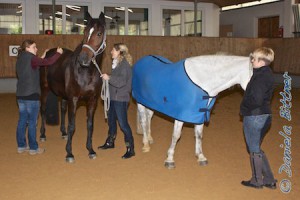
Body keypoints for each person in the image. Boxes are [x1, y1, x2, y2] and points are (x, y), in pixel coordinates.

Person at [16, 39, 63, 155]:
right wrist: (58, 53)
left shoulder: (20, 59)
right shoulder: (31, 59)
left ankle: (21, 146)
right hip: (31, 95)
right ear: (27, 48)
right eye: (34, 47)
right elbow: (48, 62)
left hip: (20, 95)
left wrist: (42, 55)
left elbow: (36, 65)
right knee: (32, 122)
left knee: (22, 121)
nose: (36, 49)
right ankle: (33, 148)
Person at [240, 47, 277, 189]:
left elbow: (256, 99)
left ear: (261, 62)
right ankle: (269, 179)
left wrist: (245, 107)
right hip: (263, 115)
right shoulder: (265, 74)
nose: (252, 61)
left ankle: (257, 180)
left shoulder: (260, 77)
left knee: (254, 149)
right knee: (256, 148)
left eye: (254, 59)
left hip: (255, 116)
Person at [98, 43, 135, 159]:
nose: (111, 52)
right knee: (111, 121)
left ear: (119, 52)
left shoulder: (124, 65)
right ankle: (110, 141)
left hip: (121, 99)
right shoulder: (117, 64)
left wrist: (108, 78)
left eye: (113, 50)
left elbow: (121, 82)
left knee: (123, 124)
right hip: (114, 97)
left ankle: (130, 148)